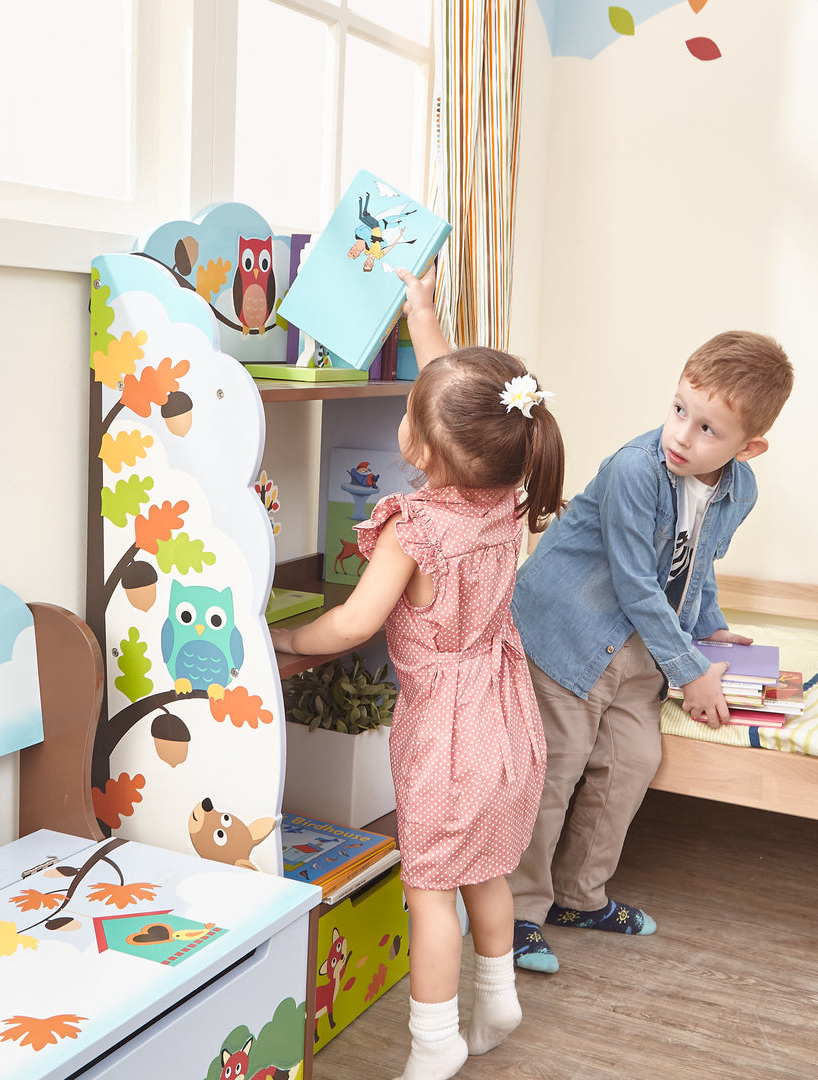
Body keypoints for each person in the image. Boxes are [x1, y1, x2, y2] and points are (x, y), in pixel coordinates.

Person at [272, 268, 566, 1080]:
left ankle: (434, 1047)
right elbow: (459, 400)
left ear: (425, 448)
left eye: (411, 414)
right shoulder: (509, 485)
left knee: (430, 887)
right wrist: (424, 316)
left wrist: (290, 637)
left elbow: (356, 622)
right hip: (507, 711)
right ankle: (497, 993)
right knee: (485, 868)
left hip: (445, 728)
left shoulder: (417, 524)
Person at [507, 330, 794, 975]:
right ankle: (518, 913)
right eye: (678, 409)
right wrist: (693, 672)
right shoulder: (634, 470)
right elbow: (637, 580)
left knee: (632, 762)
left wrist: (712, 628)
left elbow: (701, 566)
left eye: (708, 430)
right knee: (556, 772)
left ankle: (580, 897)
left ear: (749, 449)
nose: (683, 436)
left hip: (639, 647)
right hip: (570, 635)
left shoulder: (738, 490)